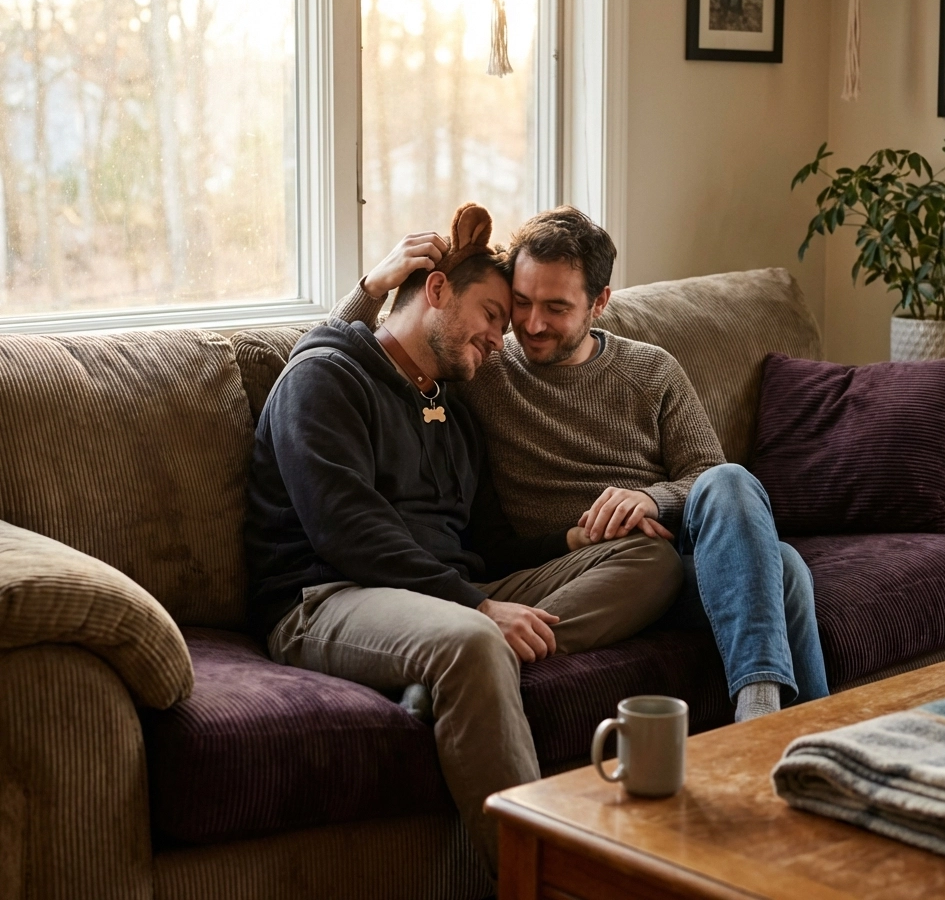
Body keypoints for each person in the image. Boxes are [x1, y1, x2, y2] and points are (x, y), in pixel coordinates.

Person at [244, 203, 683, 875]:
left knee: (653, 557)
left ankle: (473, 660)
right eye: (492, 317)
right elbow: (344, 528)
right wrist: (475, 611)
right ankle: (538, 881)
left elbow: (488, 545)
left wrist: (576, 538)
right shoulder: (326, 376)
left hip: (442, 595)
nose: (500, 339)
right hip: (327, 593)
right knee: (475, 640)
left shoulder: (449, 408)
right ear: (438, 292)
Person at [336, 205, 830, 726]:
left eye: (555, 307)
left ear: (599, 303)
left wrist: (651, 497)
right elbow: (333, 363)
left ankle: (766, 721)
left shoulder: (651, 370)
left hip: (665, 552)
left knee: (736, 490)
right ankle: (796, 741)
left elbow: (709, 481)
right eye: (521, 303)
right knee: (786, 571)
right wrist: (371, 288)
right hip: (566, 569)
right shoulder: (484, 365)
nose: (531, 324)